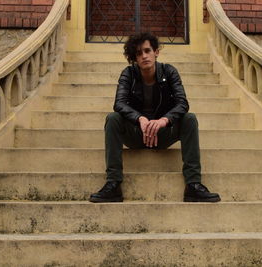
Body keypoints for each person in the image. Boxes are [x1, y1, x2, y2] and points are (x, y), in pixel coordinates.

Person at [89, 32, 221, 203]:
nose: (144, 56)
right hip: (137, 133)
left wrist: (163, 121)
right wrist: (140, 119)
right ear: (134, 58)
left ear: (156, 52)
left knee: (190, 119)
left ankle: (193, 185)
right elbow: (119, 104)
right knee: (113, 118)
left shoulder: (169, 71)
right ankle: (113, 184)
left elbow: (182, 103)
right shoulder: (128, 74)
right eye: (138, 53)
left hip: (163, 133)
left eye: (147, 50)